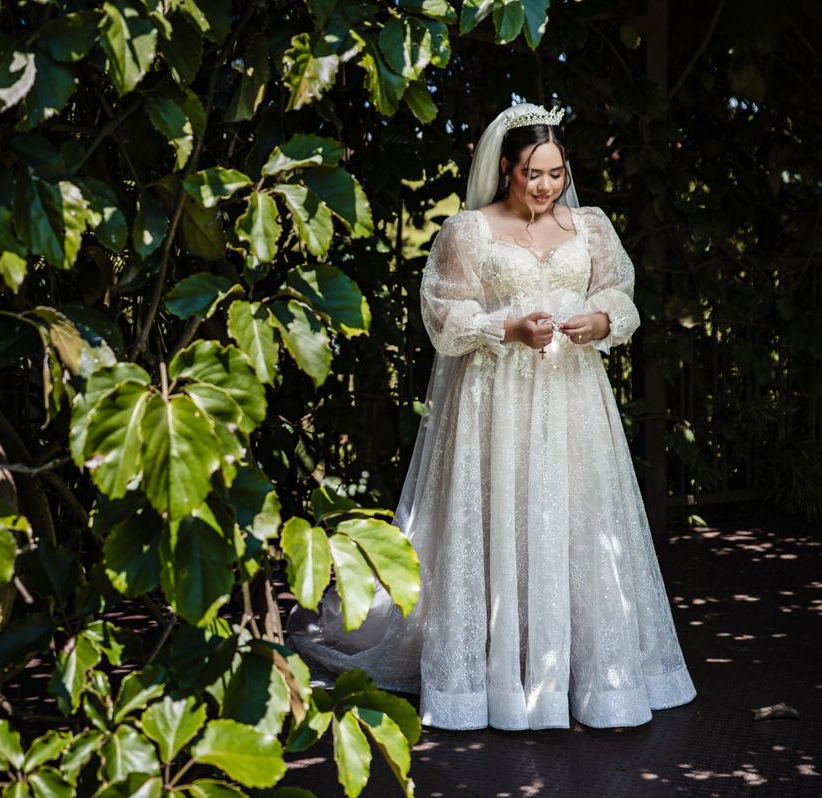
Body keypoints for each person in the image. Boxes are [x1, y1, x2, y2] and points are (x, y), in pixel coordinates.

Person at [289, 103, 696, 730]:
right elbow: (443, 316)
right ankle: (493, 676)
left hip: (573, 397)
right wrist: (506, 326)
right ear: (505, 167)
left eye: (556, 173)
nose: (546, 186)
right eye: (533, 173)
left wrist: (602, 320)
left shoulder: (588, 226)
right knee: (498, 514)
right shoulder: (469, 231)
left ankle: (589, 676)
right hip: (496, 400)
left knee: (575, 516)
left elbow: (620, 291)